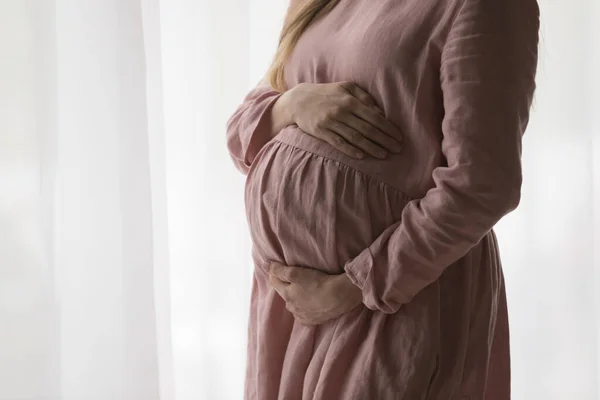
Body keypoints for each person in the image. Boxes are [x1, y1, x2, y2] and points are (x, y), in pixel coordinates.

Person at [225, 0, 539, 398]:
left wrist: (355, 286)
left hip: (392, 300)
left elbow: (483, 184)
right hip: (289, 310)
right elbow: (240, 135)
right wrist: (293, 103)